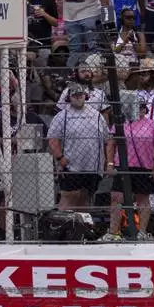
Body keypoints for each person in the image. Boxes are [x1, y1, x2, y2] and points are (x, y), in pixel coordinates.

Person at [101, 93, 154, 241]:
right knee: (117, 197)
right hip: (122, 165)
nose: (142, 110)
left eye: (144, 107)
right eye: (139, 107)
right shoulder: (121, 124)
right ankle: (113, 232)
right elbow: (111, 144)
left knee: (143, 199)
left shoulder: (152, 126)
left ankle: (142, 232)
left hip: (144, 166)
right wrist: (110, 163)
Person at [48, 82, 109, 211]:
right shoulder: (62, 116)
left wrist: (107, 161)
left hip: (93, 164)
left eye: (80, 95)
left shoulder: (96, 115)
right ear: (68, 98)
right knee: (70, 195)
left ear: (85, 96)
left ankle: (81, 227)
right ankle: (61, 226)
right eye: (75, 95)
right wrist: (60, 158)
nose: (78, 97)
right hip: (70, 164)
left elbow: (106, 140)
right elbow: (53, 139)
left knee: (85, 196)